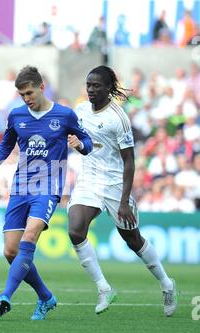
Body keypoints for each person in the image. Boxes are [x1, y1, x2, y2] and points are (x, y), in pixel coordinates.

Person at [0, 66, 93, 320]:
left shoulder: (64, 115)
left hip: (49, 188)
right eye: (22, 95)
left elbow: (89, 143)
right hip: (20, 188)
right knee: (10, 251)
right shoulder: (17, 116)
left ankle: (5, 296)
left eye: (29, 92)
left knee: (30, 235)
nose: (26, 98)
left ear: (42, 87)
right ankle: (45, 297)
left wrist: (80, 144)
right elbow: (5, 147)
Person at [67, 65, 177, 317]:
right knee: (75, 229)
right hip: (89, 181)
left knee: (132, 240)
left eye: (96, 86)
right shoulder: (81, 109)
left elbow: (129, 161)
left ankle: (166, 283)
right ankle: (104, 288)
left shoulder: (118, 118)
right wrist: (74, 141)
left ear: (108, 88)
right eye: (89, 85)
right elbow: (79, 136)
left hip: (116, 184)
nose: (91, 90)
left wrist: (125, 201)